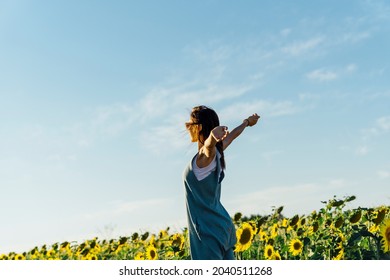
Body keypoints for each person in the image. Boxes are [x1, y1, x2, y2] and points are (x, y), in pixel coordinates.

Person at [183, 105, 260, 260]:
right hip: (223, 228)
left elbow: (208, 147)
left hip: (208, 234)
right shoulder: (218, 152)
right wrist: (247, 122)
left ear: (198, 128)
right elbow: (232, 135)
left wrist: (211, 138)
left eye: (190, 124)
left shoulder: (204, 158)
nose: (188, 128)